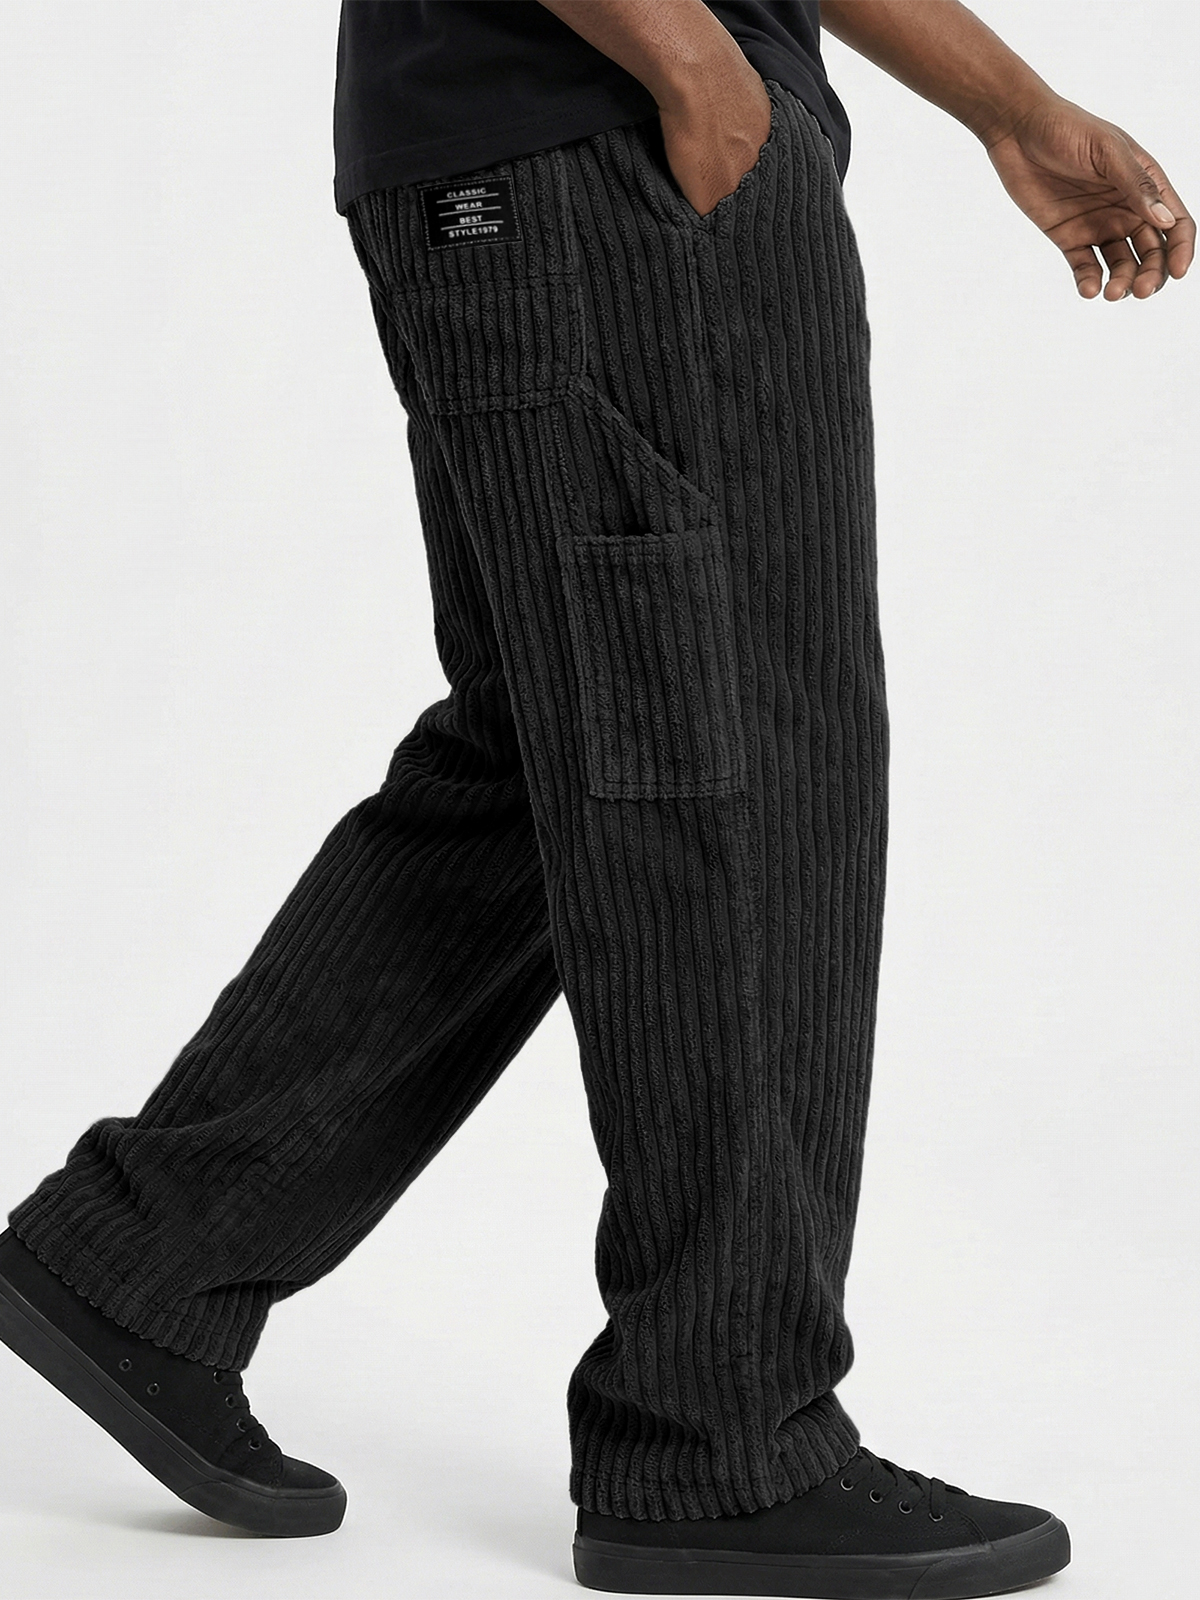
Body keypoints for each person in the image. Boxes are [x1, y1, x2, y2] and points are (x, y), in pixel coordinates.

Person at [0, 1, 1190, 1593]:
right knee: (735, 760)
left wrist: (1010, 107)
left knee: (567, 749)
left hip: (559, 151)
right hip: (606, 138)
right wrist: (695, 70)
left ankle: (149, 1254)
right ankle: (720, 1439)